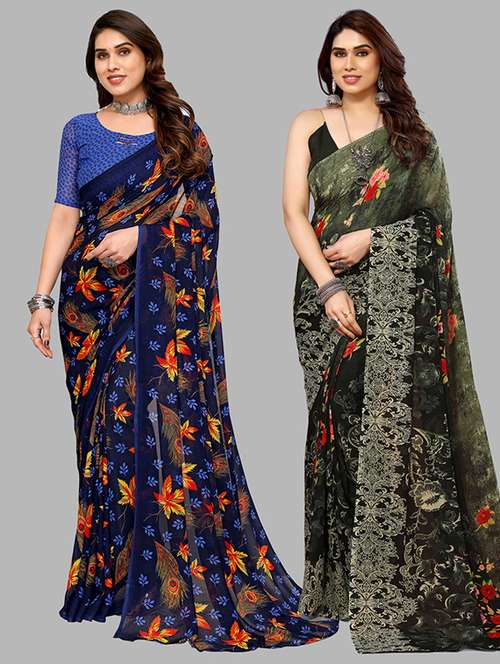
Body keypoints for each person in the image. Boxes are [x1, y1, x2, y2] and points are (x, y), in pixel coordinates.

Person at [27, 9, 339, 651]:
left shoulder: (181, 133)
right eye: (101, 55)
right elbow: (63, 214)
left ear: (148, 57)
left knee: (166, 429)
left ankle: (170, 584)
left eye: (123, 51)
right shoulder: (78, 130)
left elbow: (206, 220)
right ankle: (119, 583)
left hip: (160, 309)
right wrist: (41, 296)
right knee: (109, 440)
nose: (112, 65)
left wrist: (142, 236)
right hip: (91, 308)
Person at [282, 8, 500, 654]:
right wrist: (329, 286)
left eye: (361, 52)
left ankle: (402, 587)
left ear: (383, 61)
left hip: (396, 299)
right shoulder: (308, 124)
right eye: (339, 53)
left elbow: (436, 226)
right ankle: (351, 589)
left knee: (397, 436)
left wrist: (376, 238)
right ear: (328, 63)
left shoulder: (412, 139)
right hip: (324, 301)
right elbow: (293, 213)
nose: (349, 64)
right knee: (340, 434)